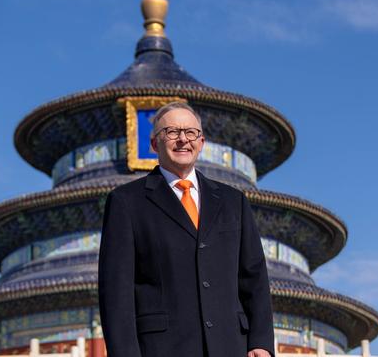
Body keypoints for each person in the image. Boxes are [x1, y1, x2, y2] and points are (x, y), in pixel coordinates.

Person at [98, 101, 274, 357]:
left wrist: (261, 341)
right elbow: (116, 291)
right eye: (171, 132)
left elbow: (253, 277)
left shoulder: (232, 201)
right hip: (162, 349)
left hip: (230, 346)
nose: (183, 139)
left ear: (201, 142)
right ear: (155, 144)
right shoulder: (127, 202)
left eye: (191, 132)